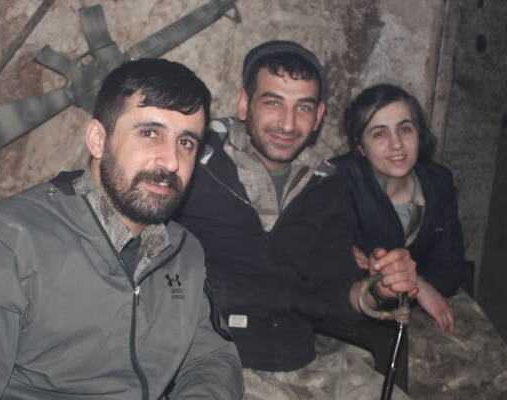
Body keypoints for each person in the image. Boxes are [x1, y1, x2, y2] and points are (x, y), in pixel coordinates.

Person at [0, 58, 244, 399]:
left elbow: (211, 358)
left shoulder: (183, 251)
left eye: (186, 142)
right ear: (98, 139)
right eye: (150, 133)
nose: (171, 161)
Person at [174, 40, 417, 399]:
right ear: (243, 104)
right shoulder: (192, 163)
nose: (287, 124)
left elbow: (334, 288)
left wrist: (378, 290)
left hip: (298, 361)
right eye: (272, 102)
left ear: (319, 116)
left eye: (303, 107)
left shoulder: (328, 186)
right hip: (206, 362)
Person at [331, 83, 507, 398]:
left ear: (419, 134)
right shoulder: (338, 182)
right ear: (360, 147)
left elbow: (449, 269)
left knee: (494, 369)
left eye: (405, 129)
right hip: (362, 314)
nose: (396, 144)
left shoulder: (438, 184)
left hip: (418, 306)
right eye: (379, 133)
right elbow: (332, 270)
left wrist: (415, 284)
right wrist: (414, 283)